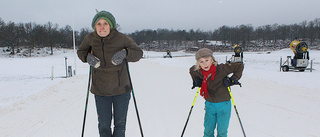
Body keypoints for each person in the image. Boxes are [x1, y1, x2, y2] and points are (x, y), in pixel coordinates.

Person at [77, 10, 143, 137]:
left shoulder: (122, 38)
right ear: (94, 26)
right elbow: (81, 52)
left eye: (105, 23)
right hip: (100, 90)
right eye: (99, 24)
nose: (102, 27)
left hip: (121, 90)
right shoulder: (90, 39)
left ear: (111, 25)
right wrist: (87, 57)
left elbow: (138, 53)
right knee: (103, 125)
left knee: (120, 125)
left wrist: (125, 53)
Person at [189, 48, 244, 137]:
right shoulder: (198, 71)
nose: (205, 64)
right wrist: (196, 80)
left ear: (212, 60)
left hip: (224, 104)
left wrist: (232, 80)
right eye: (201, 61)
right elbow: (191, 71)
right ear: (198, 63)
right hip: (209, 104)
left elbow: (239, 66)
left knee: (222, 132)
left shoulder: (222, 69)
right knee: (208, 130)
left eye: (207, 60)